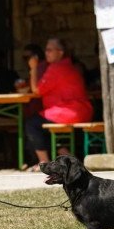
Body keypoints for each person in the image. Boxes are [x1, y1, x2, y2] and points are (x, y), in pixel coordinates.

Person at [26, 37, 93, 171]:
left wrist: (33, 68)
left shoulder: (56, 68)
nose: (46, 53)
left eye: (50, 50)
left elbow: (37, 91)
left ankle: (43, 162)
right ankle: (71, 161)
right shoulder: (69, 66)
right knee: (48, 128)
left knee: (32, 124)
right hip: (82, 111)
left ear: (60, 52)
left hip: (67, 112)